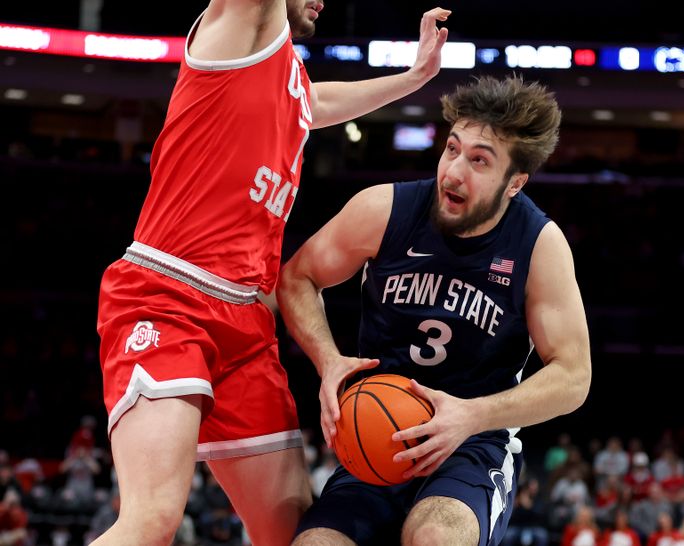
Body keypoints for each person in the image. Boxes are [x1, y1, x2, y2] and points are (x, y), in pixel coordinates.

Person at [92, 1, 452, 544]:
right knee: (153, 521)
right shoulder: (242, 28)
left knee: (293, 532)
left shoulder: (284, 73)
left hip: (247, 322)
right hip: (169, 298)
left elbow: (314, 102)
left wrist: (414, 77)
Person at [277, 75, 592, 545]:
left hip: (473, 443)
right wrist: (328, 361)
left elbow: (573, 376)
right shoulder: (384, 209)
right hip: (379, 429)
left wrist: (471, 415)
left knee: (435, 538)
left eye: (479, 160)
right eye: (452, 149)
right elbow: (296, 277)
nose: (454, 171)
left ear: (515, 183)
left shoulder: (538, 244)